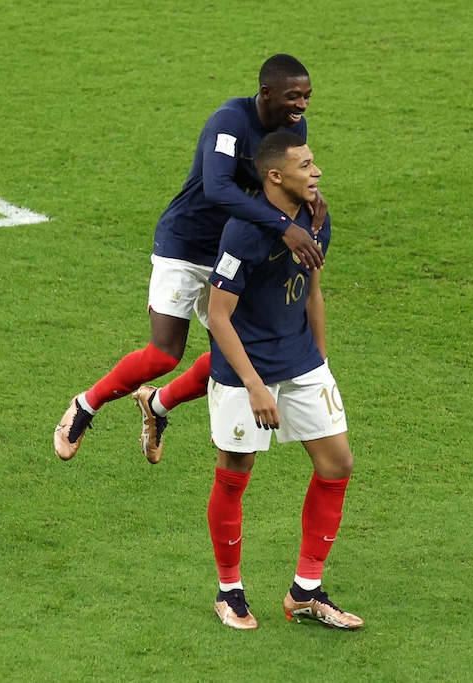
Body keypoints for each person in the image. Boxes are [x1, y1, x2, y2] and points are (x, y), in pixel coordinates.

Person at [54, 54, 327, 464]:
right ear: (266, 93)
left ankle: (157, 405)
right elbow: (217, 188)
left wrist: (307, 199)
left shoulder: (293, 128)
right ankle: (85, 405)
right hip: (185, 244)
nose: (302, 106)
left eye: (307, 96)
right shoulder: (230, 122)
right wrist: (282, 225)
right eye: (293, 97)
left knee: (237, 353)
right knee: (165, 352)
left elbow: (282, 179)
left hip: (230, 251)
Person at [205, 131, 362, 630]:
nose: (316, 172)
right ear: (275, 176)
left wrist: (321, 358)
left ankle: (306, 591)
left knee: (338, 463)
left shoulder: (318, 217)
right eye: (306, 165)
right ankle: (229, 592)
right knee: (237, 468)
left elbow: (313, 290)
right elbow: (218, 315)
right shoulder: (242, 233)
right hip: (243, 369)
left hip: (301, 362)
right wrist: (253, 385)